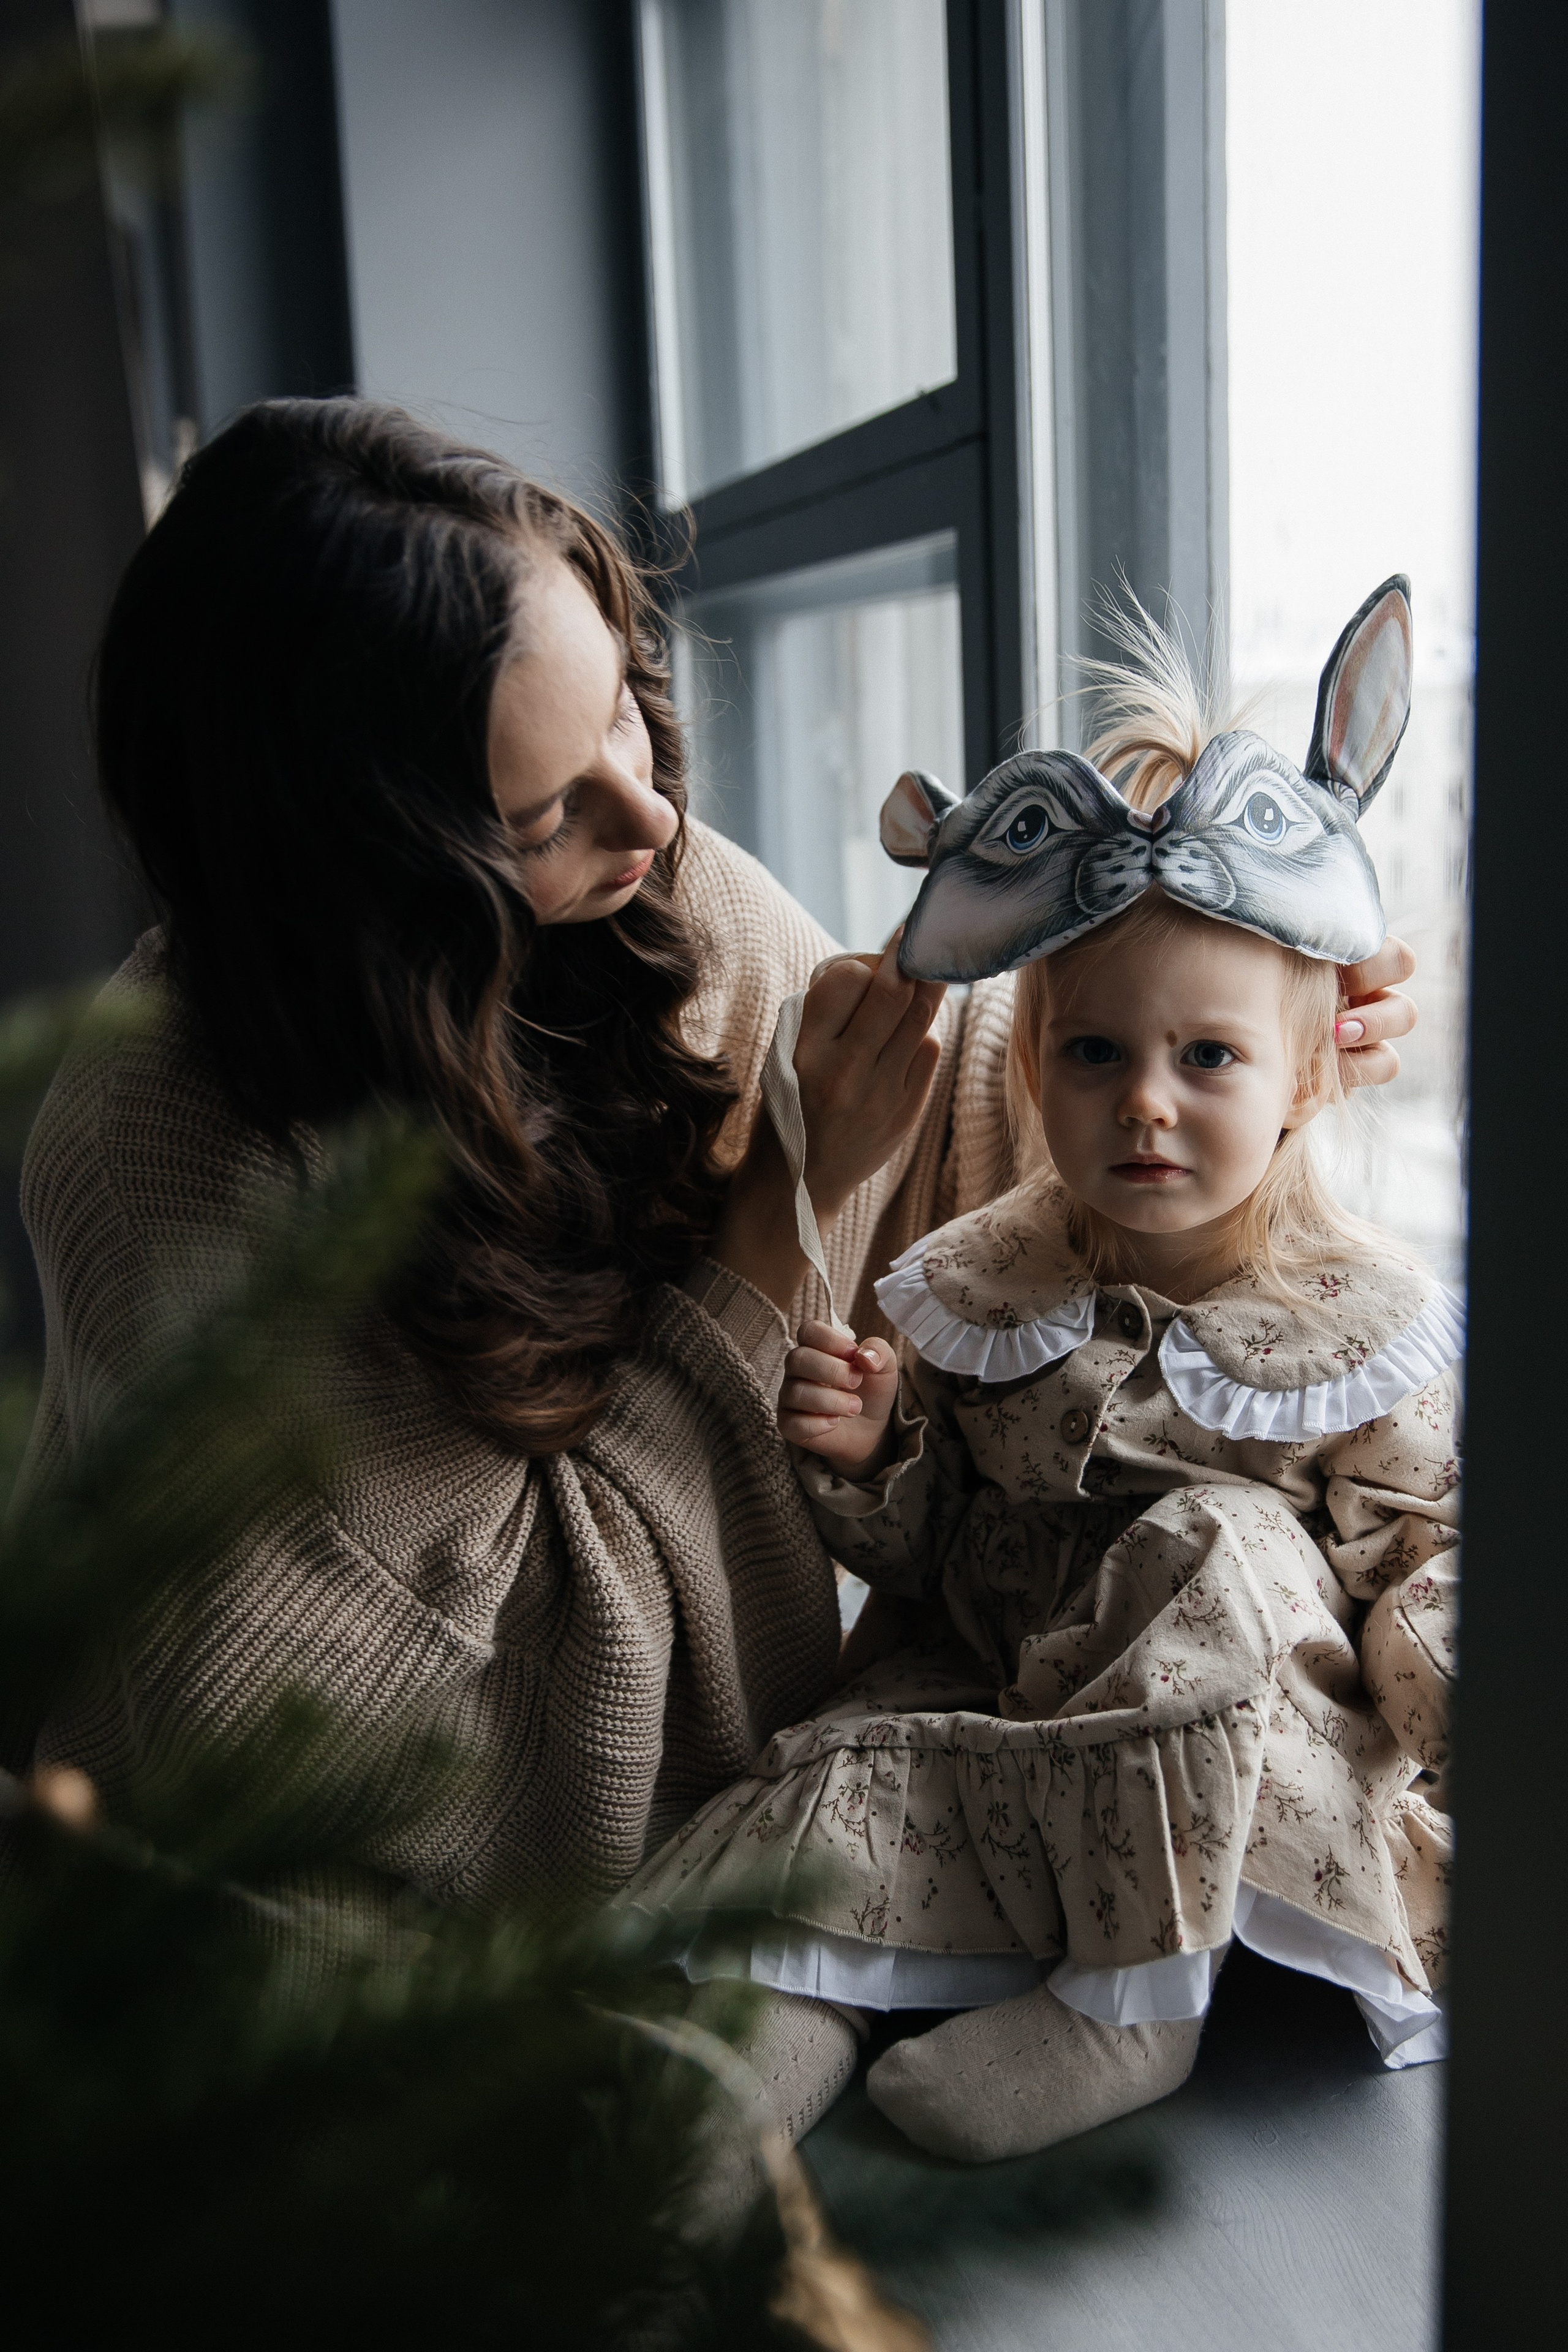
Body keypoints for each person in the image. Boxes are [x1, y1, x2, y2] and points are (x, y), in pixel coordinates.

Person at [16, 397, 1414, 2133]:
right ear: (376, 884)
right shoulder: (162, 1145)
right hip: (289, 2044)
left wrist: (1216, 1030)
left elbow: (960, 1155)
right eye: (543, 812)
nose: (652, 811)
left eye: (624, 707)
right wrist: (770, 1237)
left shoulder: (649, 915)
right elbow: (404, 1754)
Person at [628, 582, 1458, 2160]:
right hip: (1011, 1725)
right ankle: (717, 2096)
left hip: (1230, 1779)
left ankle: (1128, 2007)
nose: (1145, 1103)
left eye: (1204, 1058)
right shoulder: (980, 1285)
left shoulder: (1354, 1320)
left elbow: (1415, 1552)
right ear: (1030, 1061)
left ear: (1305, 1075)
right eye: (1095, 1054)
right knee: (835, 1782)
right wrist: (878, 1461)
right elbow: (943, 1552)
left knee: (1213, 1540)